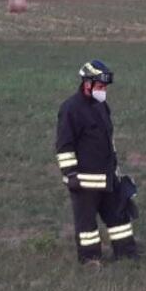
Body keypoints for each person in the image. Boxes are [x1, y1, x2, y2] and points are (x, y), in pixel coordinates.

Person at [55, 60, 138, 264]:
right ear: (87, 84)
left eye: (105, 87)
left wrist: (116, 170)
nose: (103, 91)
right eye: (100, 87)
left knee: (119, 218)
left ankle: (126, 254)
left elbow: (108, 141)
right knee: (87, 227)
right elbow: (64, 145)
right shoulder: (70, 109)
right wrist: (70, 174)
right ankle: (90, 260)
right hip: (84, 182)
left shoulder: (102, 106)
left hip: (109, 178)